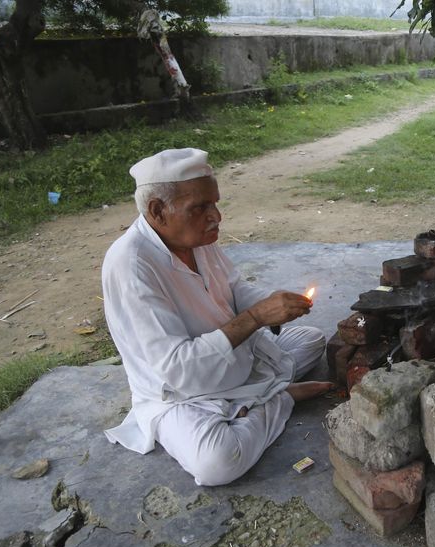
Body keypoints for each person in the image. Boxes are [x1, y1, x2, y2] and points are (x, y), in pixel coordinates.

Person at [102, 148, 331, 486]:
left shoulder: (195, 238)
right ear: (157, 211)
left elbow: (235, 288)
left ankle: (256, 398)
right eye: (200, 208)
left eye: (214, 203)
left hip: (236, 360)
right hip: (182, 394)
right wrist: (256, 317)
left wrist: (273, 308)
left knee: (312, 339)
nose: (216, 217)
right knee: (217, 462)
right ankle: (281, 398)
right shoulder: (131, 265)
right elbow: (179, 368)